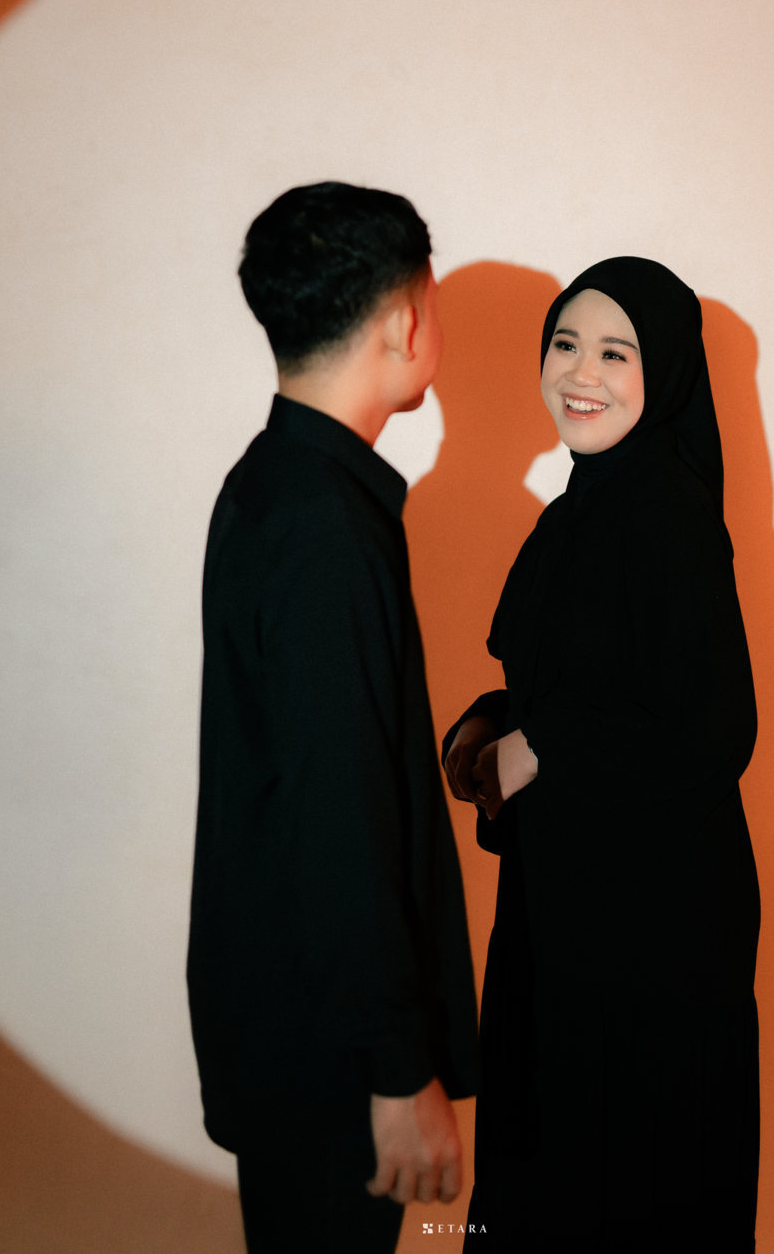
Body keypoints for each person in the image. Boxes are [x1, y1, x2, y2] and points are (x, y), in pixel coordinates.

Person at [444, 258, 760, 1252]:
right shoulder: (578, 512)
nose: (581, 374)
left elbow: (715, 726)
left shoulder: (667, 515)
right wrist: (500, 729)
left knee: (622, 1192)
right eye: (565, 344)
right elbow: (590, 677)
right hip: (573, 914)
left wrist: (543, 746)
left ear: (662, 372)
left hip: (649, 947)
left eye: (616, 353)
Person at [187, 181, 478, 1254]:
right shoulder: (324, 523)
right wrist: (396, 1069)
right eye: (433, 302)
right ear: (403, 320)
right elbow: (338, 810)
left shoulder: (273, 483)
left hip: (287, 1019)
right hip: (329, 1054)